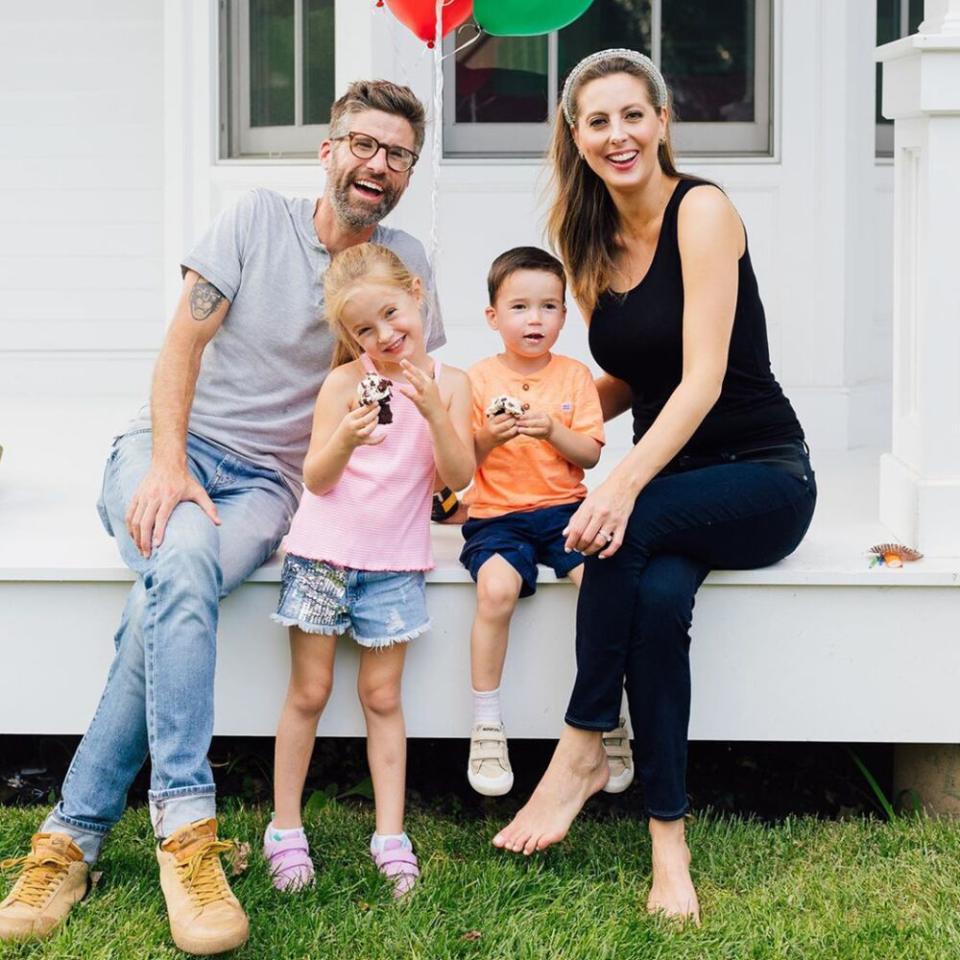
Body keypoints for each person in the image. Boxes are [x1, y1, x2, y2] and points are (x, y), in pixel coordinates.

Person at [0, 80, 442, 953]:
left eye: (398, 154)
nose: (377, 165)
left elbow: (409, 388)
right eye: (363, 143)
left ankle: (71, 839)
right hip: (172, 446)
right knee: (183, 547)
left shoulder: (404, 262)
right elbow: (181, 345)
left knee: (167, 586)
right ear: (328, 150)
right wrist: (167, 463)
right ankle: (185, 833)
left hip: (272, 485)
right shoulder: (253, 223)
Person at [492, 49, 817, 924]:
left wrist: (620, 482)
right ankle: (667, 844)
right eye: (597, 121)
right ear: (576, 136)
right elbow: (638, 378)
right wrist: (535, 413)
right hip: (672, 482)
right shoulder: (584, 237)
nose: (618, 135)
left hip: (761, 476)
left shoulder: (702, 211)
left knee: (611, 534)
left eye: (633, 114)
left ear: (663, 120)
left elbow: (703, 379)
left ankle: (579, 748)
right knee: (656, 601)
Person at [262, 243, 473, 898]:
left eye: (391, 314)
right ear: (349, 337)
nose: (384, 336)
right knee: (309, 693)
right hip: (322, 556)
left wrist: (435, 407)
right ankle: (285, 828)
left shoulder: (454, 382)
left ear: (415, 293)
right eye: (364, 330)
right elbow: (317, 482)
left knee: (383, 698)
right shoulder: (341, 385)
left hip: (394, 564)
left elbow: (459, 478)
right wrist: (345, 438)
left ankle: (390, 833)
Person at [459, 247, 635, 798]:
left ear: (564, 315)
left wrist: (549, 431)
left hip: (564, 511)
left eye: (548, 307)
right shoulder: (478, 379)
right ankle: (487, 723)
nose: (534, 319)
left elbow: (587, 455)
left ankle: (606, 716)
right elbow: (462, 462)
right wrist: (492, 434)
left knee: (602, 584)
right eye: (519, 307)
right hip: (496, 517)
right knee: (496, 589)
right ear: (493, 317)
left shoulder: (576, 377)